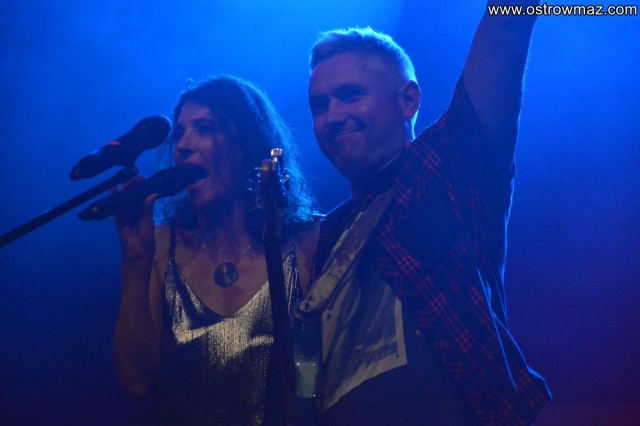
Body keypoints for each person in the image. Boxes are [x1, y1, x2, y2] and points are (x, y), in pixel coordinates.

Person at [297, 1, 552, 425]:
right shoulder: (322, 240)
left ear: (408, 100)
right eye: (319, 105)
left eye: (350, 95)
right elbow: (301, 373)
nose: (332, 116)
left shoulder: (446, 168)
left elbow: (505, 33)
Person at [112, 75, 319, 425]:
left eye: (205, 129)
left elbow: (317, 379)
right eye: (179, 134)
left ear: (248, 146)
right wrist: (134, 264)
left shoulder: (306, 242)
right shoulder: (160, 247)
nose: (183, 146)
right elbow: (136, 383)